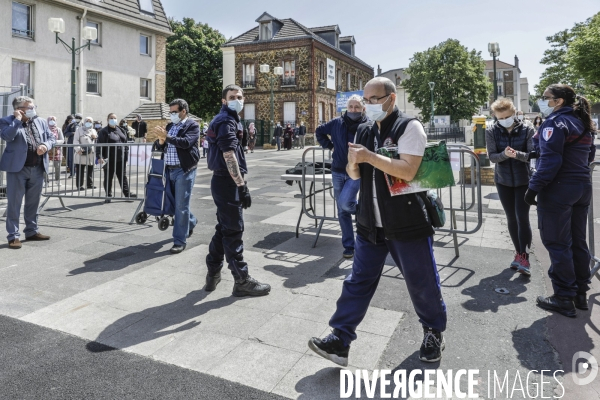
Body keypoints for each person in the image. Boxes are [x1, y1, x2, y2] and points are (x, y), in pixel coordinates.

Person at [308, 77, 447, 365]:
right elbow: (355, 173)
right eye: (365, 99)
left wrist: (369, 157)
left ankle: (433, 331)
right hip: (370, 221)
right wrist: (353, 164)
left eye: (374, 99)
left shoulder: (409, 127)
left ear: (391, 99)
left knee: (421, 281)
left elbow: (409, 171)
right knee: (357, 280)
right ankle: (340, 338)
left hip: (406, 221)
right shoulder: (364, 130)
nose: (368, 105)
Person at [526, 84, 597, 317]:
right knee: (577, 241)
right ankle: (580, 293)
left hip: (558, 189)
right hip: (582, 187)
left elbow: (551, 161)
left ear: (558, 101)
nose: (542, 101)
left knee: (557, 243)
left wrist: (533, 188)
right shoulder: (583, 123)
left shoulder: (554, 123)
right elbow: (589, 156)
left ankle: (563, 296)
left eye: (546, 98)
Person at [204, 84, 270, 296]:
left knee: (224, 228)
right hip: (227, 182)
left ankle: (213, 272)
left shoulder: (230, 119)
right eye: (232, 97)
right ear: (224, 100)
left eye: (239, 96)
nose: (236, 100)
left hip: (224, 181)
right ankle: (241, 280)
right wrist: (241, 186)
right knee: (234, 231)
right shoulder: (226, 121)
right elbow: (229, 154)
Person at [485, 98, 535, 275]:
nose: (504, 119)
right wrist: (505, 155)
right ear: (495, 117)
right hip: (503, 180)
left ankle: (525, 258)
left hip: (523, 180)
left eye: (508, 116)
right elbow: (492, 157)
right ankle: (518, 254)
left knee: (523, 218)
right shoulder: (491, 130)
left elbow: (531, 154)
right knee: (511, 218)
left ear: (514, 113)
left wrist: (517, 155)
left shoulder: (527, 129)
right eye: (501, 117)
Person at [316, 95, 368, 258]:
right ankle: (349, 246)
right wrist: (330, 147)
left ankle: (364, 210)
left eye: (357, 107)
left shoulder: (368, 125)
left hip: (358, 172)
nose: (353, 110)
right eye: (351, 107)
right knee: (341, 210)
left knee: (345, 204)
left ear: (363, 109)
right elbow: (319, 132)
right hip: (338, 170)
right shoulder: (336, 123)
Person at [0, 96, 55, 249]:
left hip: (37, 167)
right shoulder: (6, 120)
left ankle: (31, 231)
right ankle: (13, 236)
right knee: (14, 203)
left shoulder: (40, 121)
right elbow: (6, 136)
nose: (33, 110)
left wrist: (45, 145)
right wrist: (17, 120)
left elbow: (52, 137)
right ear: (19, 110)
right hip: (18, 169)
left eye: (33, 107)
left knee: (33, 202)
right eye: (29, 108)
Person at [153, 99, 200, 254]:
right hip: (169, 169)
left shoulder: (192, 125)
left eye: (174, 112)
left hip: (184, 170)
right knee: (174, 204)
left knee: (181, 206)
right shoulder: (170, 126)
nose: (172, 115)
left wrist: (166, 137)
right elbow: (162, 146)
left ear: (183, 111)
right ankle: (191, 221)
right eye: (170, 112)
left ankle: (179, 240)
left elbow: (186, 143)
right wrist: (160, 141)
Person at [97, 113, 135, 202]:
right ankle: (108, 195)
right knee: (108, 177)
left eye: (115, 118)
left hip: (120, 158)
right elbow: (99, 145)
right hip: (109, 159)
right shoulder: (104, 131)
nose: (113, 119)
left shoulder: (121, 130)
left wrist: (126, 155)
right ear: (107, 119)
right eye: (111, 118)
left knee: (123, 177)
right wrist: (100, 156)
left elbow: (125, 143)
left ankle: (127, 194)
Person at [74, 116, 98, 191]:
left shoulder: (93, 130)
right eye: (87, 121)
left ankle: (89, 184)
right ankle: (79, 185)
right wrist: (78, 149)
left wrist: (95, 137)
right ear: (84, 122)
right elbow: (75, 141)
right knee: (80, 170)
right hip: (82, 152)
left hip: (91, 153)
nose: (89, 123)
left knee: (90, 169)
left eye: (90, 121)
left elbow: (97, 141)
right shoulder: (79, 130)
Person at [47, 116, 65, 183]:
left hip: (57, 150)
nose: (52, 121)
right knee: (45, 167)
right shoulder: (45, 129)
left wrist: (55, 142)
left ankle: (57, 180)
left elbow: (62, 140)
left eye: (53, 120)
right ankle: (46, 181)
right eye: (50, 120)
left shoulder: (58, 129)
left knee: (57, 166)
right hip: (47, 150)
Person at [64, 113, 82, 177]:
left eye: (79, 118)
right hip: (71, 144)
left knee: (80, 159)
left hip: (80, 144)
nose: (78, 119)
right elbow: (66, 133)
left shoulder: (82, 126)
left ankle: (79, 173)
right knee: (71, 159)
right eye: (77, 117)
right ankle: (72, 173)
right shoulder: (70, 125)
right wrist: (72, 133)